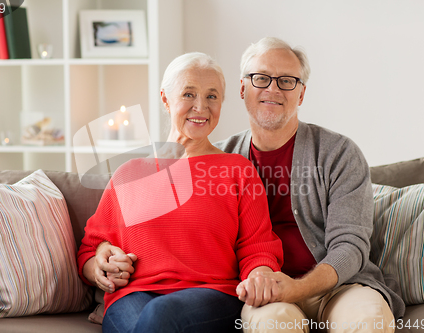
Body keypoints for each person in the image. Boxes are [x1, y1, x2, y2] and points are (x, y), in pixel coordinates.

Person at [77, 52, 283, 333]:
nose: (201, 107)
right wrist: (99, 265)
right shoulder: (129, 172)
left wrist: (260, 274)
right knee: (148, 319)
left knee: (161, 315)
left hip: (212, 295)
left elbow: (258, 249)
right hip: (132, 296)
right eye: (189, 94)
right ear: (165, 99)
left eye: (212, 96)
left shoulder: (238, 170)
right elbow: (91, 248)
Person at [215, 37, 405, 332]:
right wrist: (113, 246)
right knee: (272, 326)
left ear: (301, 94)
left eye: (287, 81)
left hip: (341, 287)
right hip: (266, 295)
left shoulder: (339, 153)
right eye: (261, 78)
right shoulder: (218, 159)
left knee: (369, 322)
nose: (273, 89)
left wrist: (297, 288)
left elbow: (350, 245)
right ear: (243, 88)